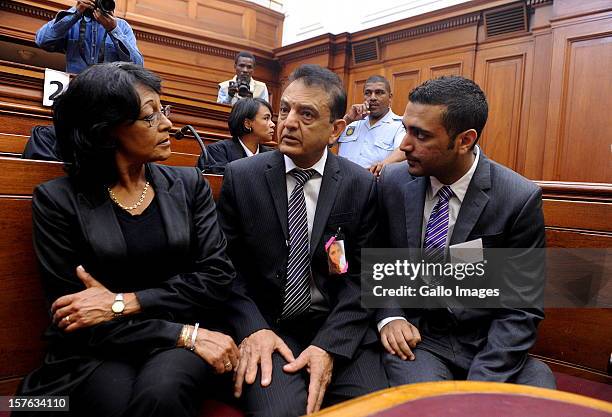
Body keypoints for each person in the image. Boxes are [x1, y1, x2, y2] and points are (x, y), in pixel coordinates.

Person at [17, 62, 239, 417]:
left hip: (186, 339)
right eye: (150, 116)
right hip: (101, 347)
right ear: (106, 131)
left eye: (162, 110)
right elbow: (74, 316)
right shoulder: (57, 200)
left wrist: (125, 301)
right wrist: (176, 332)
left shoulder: (188, 185)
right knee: (115, 403)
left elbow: (216, 277)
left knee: (161, 394)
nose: (167, 123)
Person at [217, 64, 388, 417]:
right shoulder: (242, 178)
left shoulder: (360, 186)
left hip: (339, 328)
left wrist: (328, 346)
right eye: (284, 110)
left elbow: (364, 280)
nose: (288, 122)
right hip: (269, 328)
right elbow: (225, 271)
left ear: (335, 130)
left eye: (306, 114)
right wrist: (254, 330)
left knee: (375, 411)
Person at [375, 75, 556, 388]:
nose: (404, 145)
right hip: (419, 339)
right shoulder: (392, 182)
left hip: (488, 343)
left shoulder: (517, 198)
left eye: (420, 135)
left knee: (536, 398)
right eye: (406, 129)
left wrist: (482, 384)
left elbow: (521, 307)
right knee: (430, 406)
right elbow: (374, 259)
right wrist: (390, 316)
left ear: (464, 140)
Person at [35, 0, 143, 74]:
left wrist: (113, 30)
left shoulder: (122, 26)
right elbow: (42, 40)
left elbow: (138, 65)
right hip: (78, 92)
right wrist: (76, 11)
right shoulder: (73, 22)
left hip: (108, 96)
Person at [337, 75, 405, 175]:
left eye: (379, 93)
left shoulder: (399, 125)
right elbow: (326, 141)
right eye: (368, 93)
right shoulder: (351, 123)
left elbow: (403, 150)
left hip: (375, 185)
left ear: (390, 97)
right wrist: (347, 119)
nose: (372, 98)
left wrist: (380, 168)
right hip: (341, 184)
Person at [197, 98, 275, 173]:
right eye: (266, 118)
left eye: (271, 119)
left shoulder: (272, 155)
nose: (273, 124)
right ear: (247, 123)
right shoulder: (217, 152)